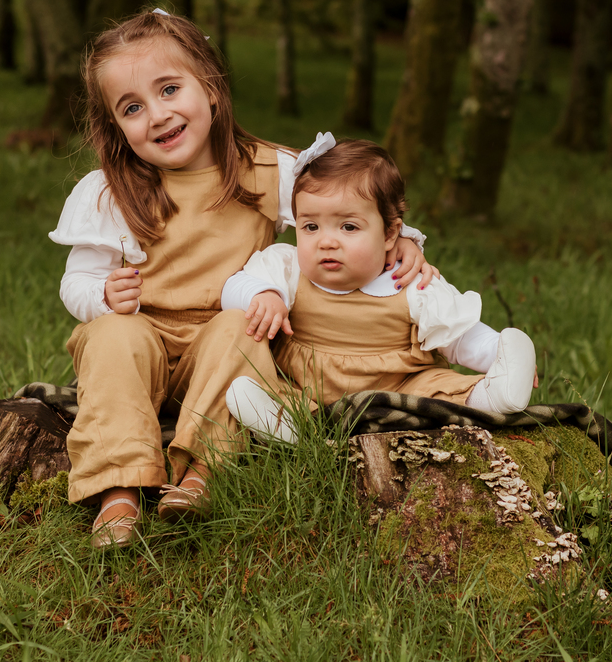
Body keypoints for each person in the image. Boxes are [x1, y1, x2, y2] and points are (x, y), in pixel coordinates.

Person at [49, 11, 434, 548]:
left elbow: (346, 205)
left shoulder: (268, 170)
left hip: (224, 347)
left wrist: (403, 240)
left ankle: (202, 470)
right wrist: (101, 296)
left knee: (241, 324)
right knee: (114, 334)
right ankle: (119, 490)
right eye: (132, 108)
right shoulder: (106, 191)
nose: (157, 116)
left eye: (169, 90)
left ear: (209, 87)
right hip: (144, 345)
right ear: (115, 125)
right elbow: (77, 283)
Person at [221, 135, 538, 443]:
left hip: (400, 387)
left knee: (440, 388)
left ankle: (494, 394)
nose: (326, 241)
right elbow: (232, 287)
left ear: (390, 234)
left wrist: (498, 353)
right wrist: (262, 294)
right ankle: (289, 424)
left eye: (348, 227)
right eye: (310, 226)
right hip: (308, 387)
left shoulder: (407, 278)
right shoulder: (287, 268)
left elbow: (459, 336)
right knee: (274, 385)